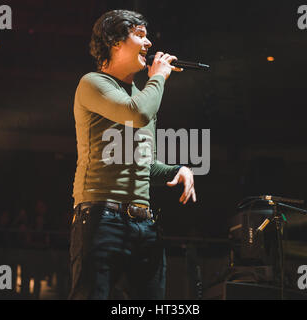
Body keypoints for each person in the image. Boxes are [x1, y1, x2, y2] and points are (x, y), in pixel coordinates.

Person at [69, 9, 196, 300]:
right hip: (101, 218)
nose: (149, 42)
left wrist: (176, 169)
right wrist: (159, 77)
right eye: (140, 35)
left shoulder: (142, 93)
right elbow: (136, 113)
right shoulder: (93, 83)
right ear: (114, 42)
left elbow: (142, 163)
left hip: (144, 223)